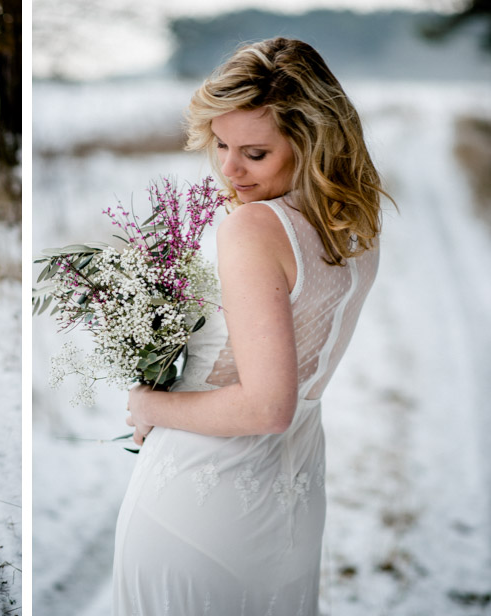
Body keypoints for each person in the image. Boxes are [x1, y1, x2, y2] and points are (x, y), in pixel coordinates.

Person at [115, 37, 392, 614]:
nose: (230, 168)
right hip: (293, 498)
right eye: (220, 145)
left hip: (199, 496)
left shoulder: (256, 228)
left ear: (312, 144)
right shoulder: (355, 227)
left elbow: (267, 407)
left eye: (255, 153)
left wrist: (149, 407)